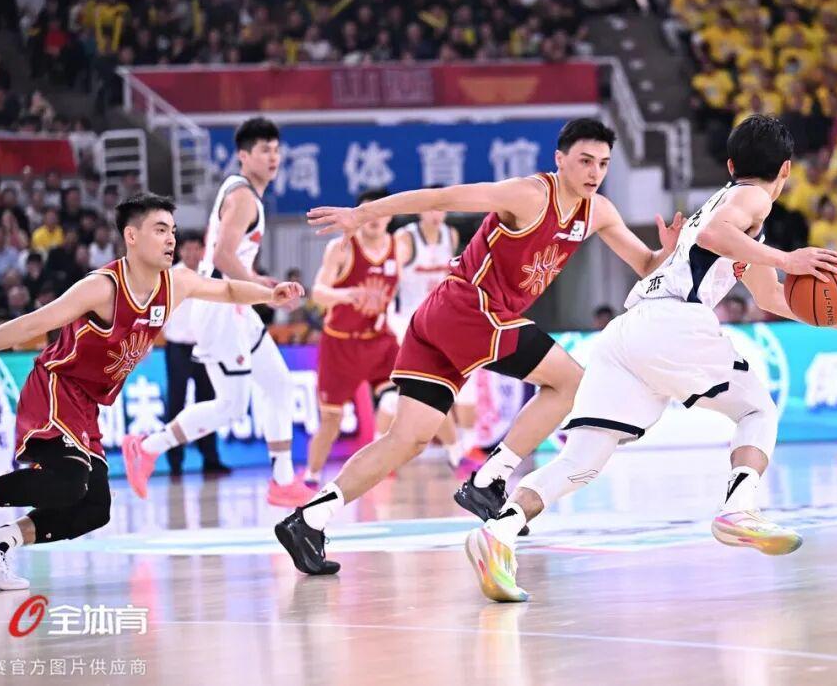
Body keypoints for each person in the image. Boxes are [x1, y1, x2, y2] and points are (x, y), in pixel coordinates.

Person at [464, 115, 837, 602]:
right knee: (757, 410)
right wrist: (788, 259)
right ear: (786, 170)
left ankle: (498, 532)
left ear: (730, 164)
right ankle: (738, 509)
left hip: (629, 331)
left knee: (582, 461)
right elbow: (715, 236)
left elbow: (770, 296)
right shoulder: (751, 198)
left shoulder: (728, 208)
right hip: (674, 321)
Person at [276, 118, 684, 575]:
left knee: (408, 439)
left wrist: (666, 254)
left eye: (603, 164)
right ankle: (490, 479)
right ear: (560, 159)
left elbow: (644, 263)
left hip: (445, 317)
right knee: (570, 383)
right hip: (471, 308)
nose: (594, 172)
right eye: (585, 161)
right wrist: (361, 214)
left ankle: (309, 519)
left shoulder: (598, 211)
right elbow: (440, 199)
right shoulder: (529, 195)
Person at [0, 193, 303, 590]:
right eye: (160, 230)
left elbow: (227, 291)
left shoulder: (177, 283)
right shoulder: (102, 288)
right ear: (131, 236)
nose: (170, 239)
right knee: (69, 479)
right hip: (57, 385)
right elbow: (33, 323)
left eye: (172, 230)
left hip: (87, 405)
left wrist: (269, 294)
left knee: (95, 507)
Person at [122, 118, 304, 506]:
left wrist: (260, 282)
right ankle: (147, 447)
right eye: (264, 150)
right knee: (231, 405)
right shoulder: (243, 197)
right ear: (244, 156)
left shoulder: (242, 193)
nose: (273, 157)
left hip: (234, 303)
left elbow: (232, 258)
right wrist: (264, 291)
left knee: (278, 384)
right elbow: (222, 256)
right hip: (222, 307)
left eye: (276, 150)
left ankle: (283, 479)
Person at [303, 190, 401, 486]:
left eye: (380, 211)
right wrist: (347, 294)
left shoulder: (399, 246)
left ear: (390, 216)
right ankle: (310, 478)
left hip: (378, 339)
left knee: (406, 395)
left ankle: (453, 453)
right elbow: (318, 292)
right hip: (340, 343)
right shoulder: (341, 248)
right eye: (367, 212)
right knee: (331, 420)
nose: (374, 218)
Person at [390, 202, 472, 469]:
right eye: (431, 209)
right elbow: (390, 278)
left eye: (440, 209)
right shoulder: (406, 238)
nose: (436, 214)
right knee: (426, 387)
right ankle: (454, 450)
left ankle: (462, 447)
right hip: (408, 322)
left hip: (440, 320)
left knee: (456, 386)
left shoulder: (451, 235)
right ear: (420, 211)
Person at [163, 233, 226, 476]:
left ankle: (210, 457)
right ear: (180, 252)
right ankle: (175, 461)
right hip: (178, 347)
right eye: (186, 249)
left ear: (202, 250)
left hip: (206, 347)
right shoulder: (169, 275)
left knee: (208, 402)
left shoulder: (210, 273)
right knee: (176, 402)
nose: (191, 253)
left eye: (195, 248)